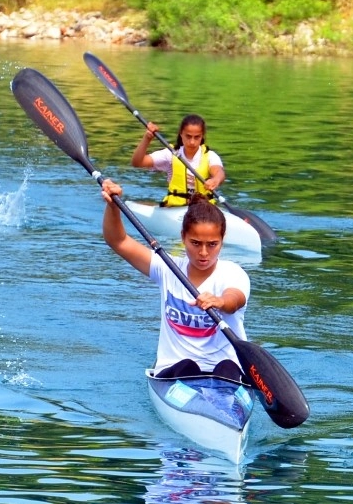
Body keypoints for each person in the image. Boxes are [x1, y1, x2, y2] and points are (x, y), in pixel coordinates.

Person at [101, 178, 249, 381]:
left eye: (212, 244)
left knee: (227, 368)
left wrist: (220, 302)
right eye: (195, 243)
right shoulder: (167, 267)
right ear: (183, 237)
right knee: (187, 367)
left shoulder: (233, 273)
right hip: (175, 373)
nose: (203, 253)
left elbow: (235, 299)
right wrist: (112, 206)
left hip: (225, 375)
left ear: (222, 241)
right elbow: (118, 241)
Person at [131, 115, 226, 207]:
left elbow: (219, 172)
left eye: (197, 137)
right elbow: (137, 162)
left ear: (202, 136)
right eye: (188, 136)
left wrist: (216, 180)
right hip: (176, 208)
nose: (192, 142)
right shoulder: (170, 154)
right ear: (181, 134)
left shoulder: (210, 156)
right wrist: (147, 139)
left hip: (204, 208)